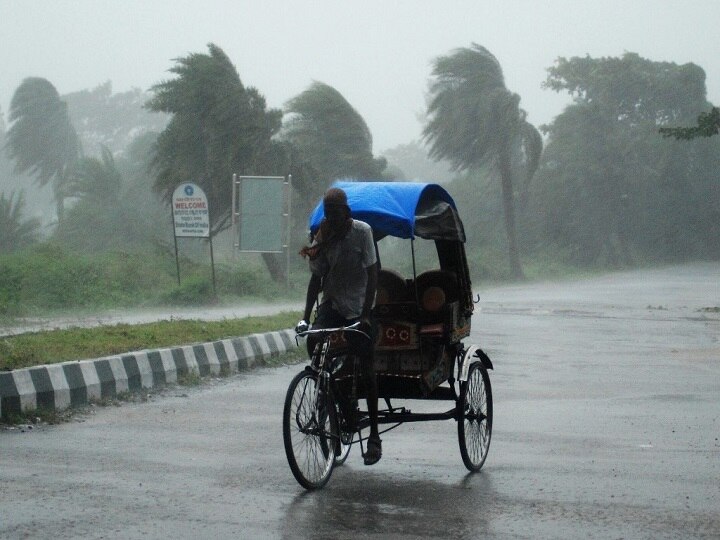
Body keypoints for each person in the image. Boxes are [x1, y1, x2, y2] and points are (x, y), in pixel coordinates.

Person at [296, 186, 381, 465]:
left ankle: (374, 438)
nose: (331, 219)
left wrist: (366, 314)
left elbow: (373, 272)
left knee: (366, 363)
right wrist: (306, 317)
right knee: (313, 341)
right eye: (327, 214)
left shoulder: (362, 232)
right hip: (332, 304)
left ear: (346, 212)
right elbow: (316, 278)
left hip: (359, 306)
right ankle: (333, 393)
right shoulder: (324, 234)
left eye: (335, 213)